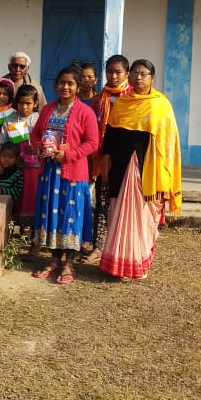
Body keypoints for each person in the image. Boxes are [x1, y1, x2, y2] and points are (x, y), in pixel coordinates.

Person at [99, 59, 181, 280]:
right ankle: (117, 264)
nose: (138, 77)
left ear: (152, 78)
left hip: (147, 170)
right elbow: (111, 137)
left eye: (143, 74)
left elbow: (169, 140)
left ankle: (138, 262)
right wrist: (106, 161)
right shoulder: (122, 103)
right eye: (134, 73)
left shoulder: (160, 104)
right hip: (120, 168)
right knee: (118, 212)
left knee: (143, 217)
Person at [29, 64, 99, 285]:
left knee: (70, 216)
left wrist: (69, 155)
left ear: (78, 86)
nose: (65, 87)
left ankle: (69, 264)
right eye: (62, 83)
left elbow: (93, 143)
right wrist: (38, 146)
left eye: (70, 83)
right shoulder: (48, 109)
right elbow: (35, 134)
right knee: (52, 216)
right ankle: (53, 261)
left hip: (73, 174)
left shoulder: (85, 112)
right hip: (50, 173)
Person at [81, 55, 131, 265]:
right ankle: (99, 247)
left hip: (127, 159)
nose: (113, 76)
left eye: (118, 72)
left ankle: (121, 247)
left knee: (124, 205)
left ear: (127, 73)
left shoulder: (133, 98)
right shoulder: (99, 99)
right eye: (110, 71)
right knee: (102, 203)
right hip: (103, 158)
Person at [10, 85, 41, 245]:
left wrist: (36, 148)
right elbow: (4, 141)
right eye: (21, 103)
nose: (24, 107)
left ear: (35, 103)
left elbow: (47, 139)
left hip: (35, 167)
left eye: (28, 103)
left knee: (32, 198)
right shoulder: (11, 119)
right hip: (16, 166)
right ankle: (20, 231)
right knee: (19, 197)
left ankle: (34, 234)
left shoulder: (40, 120)